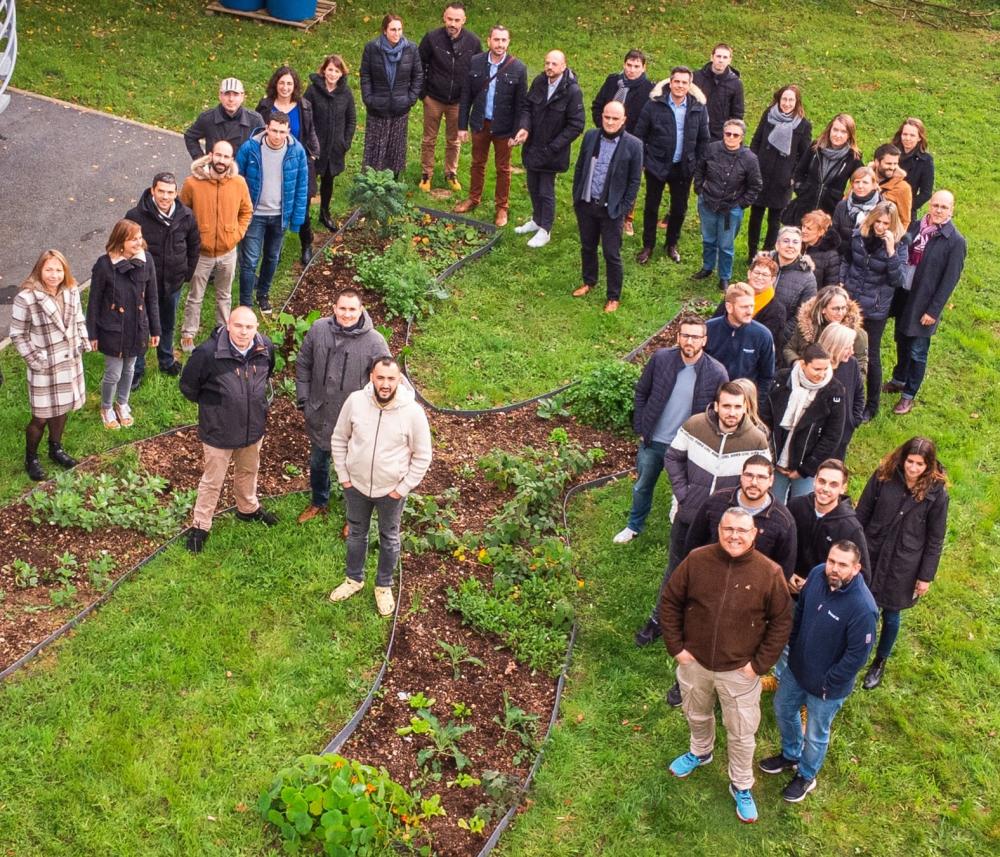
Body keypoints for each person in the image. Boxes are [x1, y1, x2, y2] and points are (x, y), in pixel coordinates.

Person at [660, 507, 792, 824]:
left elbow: (781, 623)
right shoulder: (697, 560)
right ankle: (700, 751)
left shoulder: (770, 573)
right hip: (695, 664)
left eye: (742, 530)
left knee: (742, 733)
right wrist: (677, 649)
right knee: (695, 712)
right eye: (728, 529)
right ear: (719, 530)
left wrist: (757, 666)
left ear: (754, 534)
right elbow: (670, 602)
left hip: (740, 672)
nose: (734, 535)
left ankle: (741, 785)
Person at [634, 381, 771, 647]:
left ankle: (697, 628)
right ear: (717, 406)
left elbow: (762, 476)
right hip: (689, 515)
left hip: (726, 524)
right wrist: (684, 494)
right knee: (676, 570)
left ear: (746, 408)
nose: (732, 413)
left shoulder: (756, 439)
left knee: (715, 578)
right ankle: (659, 620)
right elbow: (672, 457)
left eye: (737, 407)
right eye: (727, 406)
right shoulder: (695, 425)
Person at [759, 540, 877, 802]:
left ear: (856, 568)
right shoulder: (816, 574)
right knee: (783, 709)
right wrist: (793, 643)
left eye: (842, 565)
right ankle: (790, 755)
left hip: (828, 687)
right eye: (832, 561)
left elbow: (857, 657)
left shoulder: (863, 608)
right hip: (797, 669)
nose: (834, 569)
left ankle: (806, 775)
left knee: (815, 733)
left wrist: (828, 682)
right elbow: (800, 611)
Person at [613, 312, 728, 546]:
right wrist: (641, 427)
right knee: (643, 485)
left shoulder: (716, 373)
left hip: (688, 446)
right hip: (654, 440)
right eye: (686, 335)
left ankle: (679, 523)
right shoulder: (661, 359)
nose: (690, 341)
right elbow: (642, 392)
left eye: (696, 337)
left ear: (704, 340)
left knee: (684, 490)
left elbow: (718, 413)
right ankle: (634, 525)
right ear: (678, 337)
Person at [329, 357, 433, 617]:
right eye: (380, 378)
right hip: (356, 487)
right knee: (356, 535)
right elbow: (339, 438)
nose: (385, 384)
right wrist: (344, 476)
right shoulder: (355, 402)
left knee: (389, 538)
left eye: (391, 379)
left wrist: (402, 488)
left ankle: (384, 585)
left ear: (399, 380)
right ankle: (354, 579)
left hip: (391, 491)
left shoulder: (412, 412)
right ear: (371, 378)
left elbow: (423, 456)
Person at [180, 306, 277, 553]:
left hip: (253, 428)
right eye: (239, 326)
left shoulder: (264, 348)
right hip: (218, 431)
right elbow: (189, 387)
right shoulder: (207, 354)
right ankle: (201, 525)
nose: (244, 332)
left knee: (249, 471)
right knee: (212, 480)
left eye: (249, 327)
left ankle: (248, 509)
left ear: (257, 328)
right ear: (228, 325)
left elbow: (267, 376)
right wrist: (217, 407)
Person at [855, 437, 948, 690]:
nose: (913, 468)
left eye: (920, 464)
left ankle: (879, 661)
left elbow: (935, 538)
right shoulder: (884, 475)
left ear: (928, 465)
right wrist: (853, 549)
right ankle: (853, 655)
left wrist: (926, 576)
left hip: (904, 563)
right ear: (903, 457)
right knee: (861, 606)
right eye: (910, 461)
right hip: (872, 551)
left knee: (892, 613)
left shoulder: (936, 493)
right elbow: (862, 513)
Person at [295, 289, 391, 524]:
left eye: (352, 309)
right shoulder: (319, 329)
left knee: (355, 469)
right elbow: (303, 364)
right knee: (318, 462)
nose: (347, 314)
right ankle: (319, 501)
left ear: (361, 310)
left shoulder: (374, 342)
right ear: (334, 308)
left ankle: (354, 517)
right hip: (320, 414)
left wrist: (374, 413)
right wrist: (304, 400)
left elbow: (385, 380)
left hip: (354, 421)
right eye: (342, 308)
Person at [10, 250, 90, 480]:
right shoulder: (26, 298)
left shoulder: (72, 290)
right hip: (44, 367)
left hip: (69, 362)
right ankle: (31, 457)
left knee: (62, 408)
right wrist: (36, 361)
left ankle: (56, 449)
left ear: (65, 271)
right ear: (39, 270)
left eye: (58, 269)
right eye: (49, 270)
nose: (54, 275)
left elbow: (78, 319)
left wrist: (82, 343)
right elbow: (17, 334)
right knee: (41, 417)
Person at [886, 190, 966, 415]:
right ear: (930, 205)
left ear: (952, 210)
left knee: (917, 351)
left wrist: (934, 311)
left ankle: (908, 395)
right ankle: (898, 379)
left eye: (944, 207)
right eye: (936, 205)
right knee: (901, 340)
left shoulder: (955, 241)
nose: (938, 210)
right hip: (904, 296)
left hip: (925, 304)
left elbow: (949, 282)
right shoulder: (916, 227)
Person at [125, 172, 200, 388]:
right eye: (161, 191)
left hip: (172, 284)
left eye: (170, 192)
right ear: (152, 191)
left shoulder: (186, 215)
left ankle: (166, 360)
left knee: (167, 324)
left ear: (176, 193)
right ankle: (137, 369)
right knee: (141, 326)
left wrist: (186, 272)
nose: (165, 197)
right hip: (143, 285)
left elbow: (194, 245)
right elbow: (124, 247)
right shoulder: (135, 216)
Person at [85, 220, 160, 431]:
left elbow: (152, 298)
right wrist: (92, 334)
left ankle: (122, 403)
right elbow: (94, 301)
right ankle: (106, 407)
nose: (138, 242)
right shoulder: (104, 265)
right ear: (120, 241)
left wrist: (155, 329)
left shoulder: (147, 261)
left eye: (139, 238)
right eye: (132, 239)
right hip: (113, 330)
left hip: (137, 327)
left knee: (130, 369)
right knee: (113, 373)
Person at [569, 101, 644, 312]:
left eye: (615, 119)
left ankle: (613, 296)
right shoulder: (591, 136)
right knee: (587, 246)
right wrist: (577, 195)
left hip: (612, 210)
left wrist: (623, 208)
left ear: (623, 120)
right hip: (587, 203)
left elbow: (634, 181)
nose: (610, 122)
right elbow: (581, 167)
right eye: (607, 117)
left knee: (612, 253)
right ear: (602, 116)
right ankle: (589, 281)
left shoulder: (634, 145)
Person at [178, 140, 253, 352]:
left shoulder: (239, 183)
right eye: (218, 155)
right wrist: (192, 241)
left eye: (226, 157)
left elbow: (246, 211)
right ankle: (188, 332)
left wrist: (236, 235)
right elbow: (182, 216)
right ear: (210, 156)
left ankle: (223, 329)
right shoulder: (192, 183)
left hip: (228, 251)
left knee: (225, 294)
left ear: (231, 159)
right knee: (195, 295)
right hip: (201, 253)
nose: (221, 161)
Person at [633, 66, 710, 266]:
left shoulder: (698, 108)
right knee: (651, 206)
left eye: (684, 82)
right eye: (677, 81)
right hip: (656, 164)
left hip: (684, 167)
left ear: (690, 85)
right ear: (670, 82)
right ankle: (648, 245)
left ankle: (671, 244)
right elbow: (640, 135)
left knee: (679, 208)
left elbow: (704, 140)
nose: (680, 85)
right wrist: (643, 161)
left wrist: (698, 165)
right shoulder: (653, 105)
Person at [235, 111, 310, 315]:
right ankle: (245, 303)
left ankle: (263, 295)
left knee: (272, 257)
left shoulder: (297, 152)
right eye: (274, 130)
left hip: (280, 216)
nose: (277, 136)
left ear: (288, 132)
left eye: (282, 132)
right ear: (267, 127)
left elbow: (302, 187)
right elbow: (235, 180)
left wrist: (296, 220)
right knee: (250, 260)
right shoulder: (250, 149)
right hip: (254, 215)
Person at [453, 25, 528, 227]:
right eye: (496, 40)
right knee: (477, 163)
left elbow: (522, 104)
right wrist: (462, 126)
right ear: (489, 41)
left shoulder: (518, 68)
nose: (500, 44)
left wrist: (518, 130)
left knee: (503, 168)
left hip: (504, 128)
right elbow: (466, 95)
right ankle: (473, 198)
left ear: (508, 42)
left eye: (504, 40)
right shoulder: (475, 62)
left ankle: (501, 207)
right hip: (480, 123)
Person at [839, 200, 907, 420]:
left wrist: (890, 252)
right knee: (842, 346)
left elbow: (898, 280)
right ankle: (842, 394)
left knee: (871, 355)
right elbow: (846, 260)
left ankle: (872, 404)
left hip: (875, 307)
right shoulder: (859, 235)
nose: (880, 227)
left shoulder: (900, 243)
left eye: (885, 223)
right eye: (877, 221)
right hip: (851, 301)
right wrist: (842, 281)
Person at [511, 50, 585, 248]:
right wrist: (524, 127)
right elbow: (527, 106)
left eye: (554, 64)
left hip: (553, 152)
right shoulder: (539, 81)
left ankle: (546, 229)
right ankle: (536, 220)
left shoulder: (572, 91)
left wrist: (554, 147)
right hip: (532, 146)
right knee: (533, 186)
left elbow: (576, 125)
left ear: (563, 66)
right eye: (547, 63)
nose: (549, 67)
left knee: (546, 190)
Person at [684, 455, 798, 579]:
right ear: (741, 477)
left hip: (753, 587)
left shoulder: (783, 520)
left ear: (771, 481)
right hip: (710, 577)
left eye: (761, 477)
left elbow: (784, 569)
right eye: (749, 475)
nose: (754, 482)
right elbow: (693, 541)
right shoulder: (716, 502)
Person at [761, 343, 845, 503]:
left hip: (806, 466)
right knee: (772, 504)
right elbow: (766, 419)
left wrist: (805, 469)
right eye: (816, 369)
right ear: (802, 364)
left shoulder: (835, 390)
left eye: (825, 369)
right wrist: (770, 457)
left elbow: (832, 435)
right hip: (775, 461)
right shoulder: (782, 379)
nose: (822, 374)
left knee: (803, 508)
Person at [256, 66, 322, 265]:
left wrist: (313, 155)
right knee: (277, 207)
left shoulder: (304, 105)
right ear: (275, 84)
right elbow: (259, 131)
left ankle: (306, 244)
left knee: (302, 207)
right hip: (271, 163)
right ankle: (276, 248)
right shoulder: (266, 105)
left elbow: (310, 132)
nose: (285, 87)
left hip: (298, 163)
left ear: (295, 86)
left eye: (289, 83)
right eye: (282, 82)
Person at [417, 3, 481, 193]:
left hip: (458, 102)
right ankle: (426, 174)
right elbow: (419, 65)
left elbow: (477, 71)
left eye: (457, 20)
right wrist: (424, 95)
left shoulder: (473, 42)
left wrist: (468, 99)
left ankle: (451, 173)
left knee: (454, 140)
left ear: (464, 20)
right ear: (444, 18)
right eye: (449, 19)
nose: (452, 23)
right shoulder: (431, 38)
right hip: (434, 98)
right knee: (429, 139)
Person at [691, 119, 762, 290]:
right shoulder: (711, 149)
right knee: (708, 239)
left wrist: (741, 205)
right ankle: (707, 267)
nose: (730, 137)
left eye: (735, 135)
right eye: (727, 134)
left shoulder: (750, 158)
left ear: (742, 137)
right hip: (708, 202)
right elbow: (700, 169)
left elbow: (756, 185)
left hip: (731, 209)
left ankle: (724, 276)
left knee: (725, 245)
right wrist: (699, 189)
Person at [590, 49, 653, 236]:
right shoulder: (613, 81)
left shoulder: (648, 89)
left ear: (643, 68)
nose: (632, 70)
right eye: (629, 65)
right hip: (607, 138)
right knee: (604, 172)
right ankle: (601, 207)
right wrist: (603, 126)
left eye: (636, 67)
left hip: (632, 141)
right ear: (624, 64)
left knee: (629, 179)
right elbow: (597, 105)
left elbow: (648, 121)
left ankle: (627, 218)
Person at [787, 459, 871, 596]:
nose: (825, 489)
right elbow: (779, 544)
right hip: (786, 587)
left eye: (833, 484)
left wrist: (816, 584)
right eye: (822, 481)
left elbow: (862, 576)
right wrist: (787, 573)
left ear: (843, 488)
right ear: (814, 480)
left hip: (823, 597)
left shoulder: (851, 528)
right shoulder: (795, 507)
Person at [748, 84, 812, 260]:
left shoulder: (803, 125)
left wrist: (794, 176)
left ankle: (768, 252)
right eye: (784, 99)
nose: (787, 103)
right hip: (761, 172)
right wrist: (752, 165)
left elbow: (804, 154)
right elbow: (756, 140)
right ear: (779, 99)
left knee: (775, 219)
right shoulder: (768, 116)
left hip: (783, 179)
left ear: (797, 102)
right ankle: (751, 252)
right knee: (756, 216)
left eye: (791, 100)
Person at [360, 14, 423, 176]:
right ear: (385, 31)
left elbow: (418, 75)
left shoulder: (411, 49)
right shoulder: (372, 48)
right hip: (377, 107)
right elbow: (365, 75)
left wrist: (410, 99)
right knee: (375, 150)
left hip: (400, 107)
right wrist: (369, 99)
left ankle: (392, 186)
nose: (397, 33)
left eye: (399, 29)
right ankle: (370, 185)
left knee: (395, 151)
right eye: (393, 29)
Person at [303, 55, 358, 233]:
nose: (333, 73)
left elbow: (351, 119)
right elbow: (305, 116)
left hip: (335, 148)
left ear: (341, 73)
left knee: (329, 180)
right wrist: (309, 143)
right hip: (315, 147)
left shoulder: (346, 93)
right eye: (330, 69)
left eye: (337, 70)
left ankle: (324, 213)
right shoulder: (312, 91)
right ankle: (305, 219)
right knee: (310, 182)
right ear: (324, 70)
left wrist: (345, 142)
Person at [782, 113, 862, 224]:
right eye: (835, 130)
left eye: (843, 132)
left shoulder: (853, 157)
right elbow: (799, 171)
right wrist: (801, 188)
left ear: (849, 135)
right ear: (830, 130)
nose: (838, 135)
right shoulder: (815, 147)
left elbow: (861, 180)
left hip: (829, 213)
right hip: (804, 207)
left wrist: (845, 200)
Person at [705, 282, 775, 398]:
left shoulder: (763, 335)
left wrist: (755, 404)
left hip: (741, 401)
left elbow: (766, 376)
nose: (749, 311)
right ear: (729, 307)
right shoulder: (708, 329)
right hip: (709, 395)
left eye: (751, 306)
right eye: (744, 307)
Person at [784, 286, 868, 377]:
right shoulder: (807, 326)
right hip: (808, 377)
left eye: (844, 308)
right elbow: (789, 349)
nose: (840, 313)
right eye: (835, 309)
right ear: (823, 309)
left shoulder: (855, 333)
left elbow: (861, 364)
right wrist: (797, 363)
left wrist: (854, 386)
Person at [711, 256, 786, 353]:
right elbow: (715, 321)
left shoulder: (777, 310)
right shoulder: (733, 295)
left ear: (772, 280)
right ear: (749, 274)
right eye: (757, 273)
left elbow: (764, 341)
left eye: (765, 275)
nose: (760, 277)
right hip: (721, 347)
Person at [184, 77, 264, 160]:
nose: (231, 99)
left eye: (236, 94)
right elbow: (190, 136)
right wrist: (201, 161)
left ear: (242, 96)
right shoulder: (207, 118)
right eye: (227, 94)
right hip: (214, 170)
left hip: (241, 172)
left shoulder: (255, 120)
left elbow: (264, 147)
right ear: (220, 95)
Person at [816, 323, 864, 460]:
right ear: (835, 346)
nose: (852, 351)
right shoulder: (817, 369)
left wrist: (854, 419)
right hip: (818, 437)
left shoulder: (852, 363)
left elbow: (859, 393)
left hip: (843, 434)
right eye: (848, 347)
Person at [692, 43, 745, 141]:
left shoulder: (736, 84)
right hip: (695, 131)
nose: (721, 60)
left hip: (719, 136)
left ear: (729, 60)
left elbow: (737, 114)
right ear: (712, 57)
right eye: (718, 56)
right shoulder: (696, 77)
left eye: (725, 57)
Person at [770, 226, 817, 328]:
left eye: (795, 242)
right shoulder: (763, 264)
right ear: (777, 245)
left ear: (800, 247)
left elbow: (803, 315)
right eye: (786, 241)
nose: (790, 245)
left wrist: (781, 336)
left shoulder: (808, 278)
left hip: (781, 334)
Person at [892, 117, 935, 222]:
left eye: (912, 135)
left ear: (919, 138)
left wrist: (907, 206)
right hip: (883, 205)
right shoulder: (890, 152)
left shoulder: (925, 161)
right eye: (905, 134)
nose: (907, 138)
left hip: (906, 211)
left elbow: (926, 193)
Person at [831, 166, 881, 250]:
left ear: (874, 185)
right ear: (852, 185)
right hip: (843, 254)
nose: (860, 186)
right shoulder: (842, 205)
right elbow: (833, 233)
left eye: (865, 182)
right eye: (857, 182)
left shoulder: (881, 207)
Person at [871, 143, 912, 231]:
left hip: (883, 236)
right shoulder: (864, 179)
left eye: (895, 164)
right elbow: (847, 199)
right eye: (888, 163)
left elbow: (905, 220)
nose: (892, 167)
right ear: (877, 162)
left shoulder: (903, 188)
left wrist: (894, 240)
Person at [800, 210, 841, 288]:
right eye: (803, 226)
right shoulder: (796, 246)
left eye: (809, 228)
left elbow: (830, 287)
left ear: (821, 232)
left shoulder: (830, 256)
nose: (803, 231)